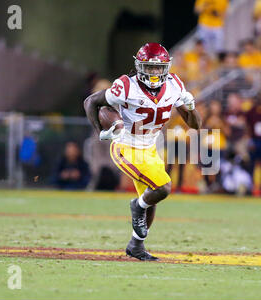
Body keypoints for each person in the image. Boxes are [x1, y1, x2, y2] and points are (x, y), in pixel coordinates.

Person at [84, 43, 202, 261]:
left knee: (152, 199)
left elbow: (195, 125)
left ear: (166, 68)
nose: (155, 72)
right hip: (126, 145)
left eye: (159, 68)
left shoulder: (175, 85)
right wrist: (101, 130)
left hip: (150, 147)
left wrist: (191, 106)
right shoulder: (127, 86)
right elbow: (91, 102)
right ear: (139, 66)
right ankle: (136, 207)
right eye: (149, 67)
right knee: (163, 187)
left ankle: (135, 246)